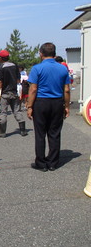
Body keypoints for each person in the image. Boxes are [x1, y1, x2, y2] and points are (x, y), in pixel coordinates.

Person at [27, 43, 70, 172]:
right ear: (54, 54)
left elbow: (33, 89)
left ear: (41, 53)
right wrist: (66, 106)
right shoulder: (63, 69)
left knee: (40, 134)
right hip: (57, 102)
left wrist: (30, 106)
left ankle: (41, 162)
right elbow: (66, 89)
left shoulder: (37, 68)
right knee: (54, 133)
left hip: (41, 102)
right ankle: (53, 162)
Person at [0, 50, 27, 137]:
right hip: (14, 92)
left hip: (5, 93)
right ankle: (23, 130)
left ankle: (2, 132)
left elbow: (0, 81)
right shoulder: (15, 65)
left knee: (3, 112)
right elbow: (18, 80)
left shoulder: (1, 67)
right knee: (17, 111)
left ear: (1, 58)